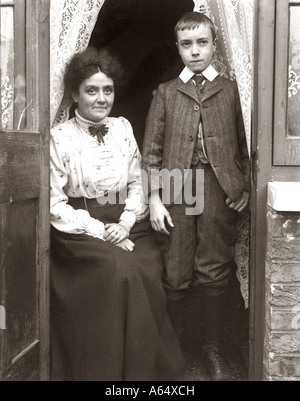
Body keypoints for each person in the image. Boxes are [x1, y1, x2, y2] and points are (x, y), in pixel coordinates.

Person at [50, 47, 184, 381]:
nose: (101, 98)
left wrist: (124, 224)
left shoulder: (123, 127)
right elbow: (54, 204)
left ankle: (148, 375)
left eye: (107, 90)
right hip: (80, 229)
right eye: (91, 90)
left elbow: (138, 181)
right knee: (118, 268)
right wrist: (101, 230)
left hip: (127, 222)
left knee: (146, 266)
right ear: (75, 95)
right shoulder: (59, 138)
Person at [142, 12, 250, 381]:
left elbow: (247, 145)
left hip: (218, 188)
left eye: (202, 42)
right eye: (186, 44)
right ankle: (176, 350)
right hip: (177, 186)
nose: (195, 51)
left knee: (213, 266)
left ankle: (212, 347)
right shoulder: (166, 92)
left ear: (215, 45)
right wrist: (154, 197)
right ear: (178, 48)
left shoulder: (233, 90)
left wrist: (244, 185)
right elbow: (152, 151)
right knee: (175, 268)